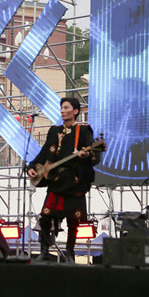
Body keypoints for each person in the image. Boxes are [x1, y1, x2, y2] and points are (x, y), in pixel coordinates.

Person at [26, 97, 100, 263]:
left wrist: (87, 155)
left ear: (75, 111)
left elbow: (94, 154)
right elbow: (44, 153)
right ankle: (44, 251)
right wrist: (31, 167)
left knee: (73, 221)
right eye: (62, 108)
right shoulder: (54, 131)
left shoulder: (83, 131)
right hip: (56, 181)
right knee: (45, 217)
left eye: (66, 107)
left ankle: (70, 253)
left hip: (74, 182)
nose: (62, 111)